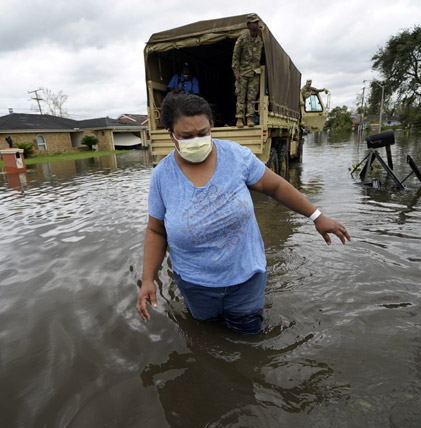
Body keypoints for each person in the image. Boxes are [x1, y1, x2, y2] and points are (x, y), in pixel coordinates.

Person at [136, 93, 350, 335]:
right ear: (171, 135)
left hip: (245, 278)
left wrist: (317, 216)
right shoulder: (162, 176)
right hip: (195, 284)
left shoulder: (236, 156)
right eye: (186, 136)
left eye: (203, 133)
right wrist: (147, 279)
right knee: (206, 336)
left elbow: (276, 187)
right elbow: (155, 230)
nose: (196, 140)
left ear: (211, 128)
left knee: (249, 337)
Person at [232, 13, 264, 128]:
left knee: (251, 97)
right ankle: (239, 118)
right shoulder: (242, 39)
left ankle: (249, 117)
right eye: (254, 23)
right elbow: (235, 57)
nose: (257, 24)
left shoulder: (260, 39)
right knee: (241, 96)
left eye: (257, 22)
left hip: (255, 72)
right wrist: (236, 73)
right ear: (249, 25)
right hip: (243, 72)